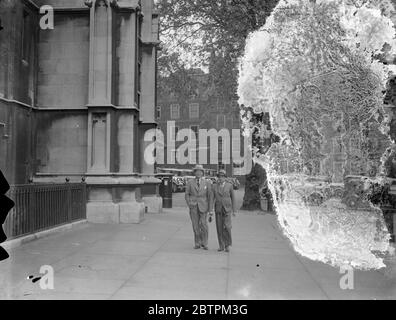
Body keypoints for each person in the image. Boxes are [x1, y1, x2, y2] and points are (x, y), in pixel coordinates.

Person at [185, 165, 214, 250]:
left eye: (200, 171)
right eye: (197, 171)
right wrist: (189, 203)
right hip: (193, 206)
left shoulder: (207, 182)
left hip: (203, 206)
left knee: (204, 225)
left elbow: (210, 196)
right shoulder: (190, 182)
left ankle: (205, 243)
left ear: (202, 173)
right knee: (195, 226)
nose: (198, 173)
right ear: (194, 172)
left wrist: (210, 209)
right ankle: (197, 243)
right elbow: (187, 194)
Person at [212, 169, 236, 252]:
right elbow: (212, 198)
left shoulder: (229, 185)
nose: (221, 178)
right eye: (219, 177)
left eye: (222, 177)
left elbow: (233, 198)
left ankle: (227, 245)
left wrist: (234, 210)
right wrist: (210, 210)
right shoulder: (214, 186)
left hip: (227, 209)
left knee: (227, 227)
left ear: (225, 178)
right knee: (219, 228)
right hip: (218, 209)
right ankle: (221, 246)